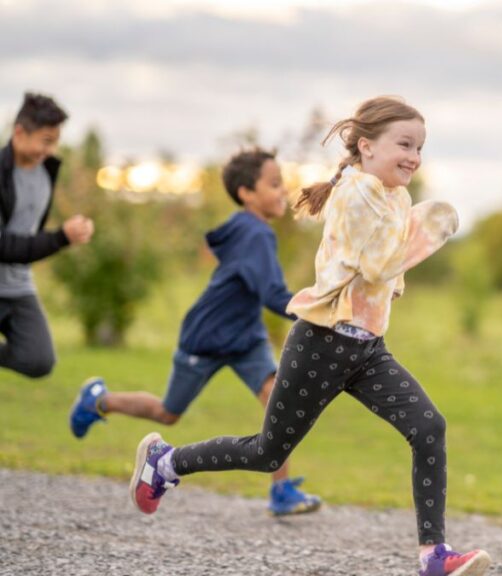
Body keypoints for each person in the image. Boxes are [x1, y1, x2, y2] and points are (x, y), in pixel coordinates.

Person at [127, 96, 491, 576]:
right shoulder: (356, 192)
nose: (414, 156)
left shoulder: (395, 196)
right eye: (404, 144)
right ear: (367, 146)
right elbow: (381, 262)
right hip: (321, 343)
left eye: (420, 147)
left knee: (428, 427)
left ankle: (433, 556)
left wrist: (399, 267)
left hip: (366, 349)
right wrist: (417, 242)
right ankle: (165, 463)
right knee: (267, 452)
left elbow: (387, 276)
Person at [69, 148, 321, 515]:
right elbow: (272, 294)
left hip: (246, 338)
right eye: (274, 184)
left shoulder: (252, 230)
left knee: (275, 398)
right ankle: (98, 399)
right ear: (247, 193)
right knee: (167, 413)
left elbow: (261, 290)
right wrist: (317, 313)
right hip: (207, 337)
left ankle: (281, 490)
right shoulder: (255, 233)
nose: (283, 191)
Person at [1, 92, 93, 378]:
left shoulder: (46, 173)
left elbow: (30, 231)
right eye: (46, 140)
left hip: (18, 287)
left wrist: (71, 233)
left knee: (39, 360)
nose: (51, 149)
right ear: (19, 133)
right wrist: (61, 238)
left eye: (55, 141)